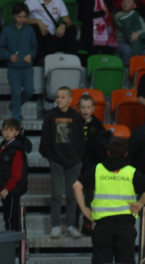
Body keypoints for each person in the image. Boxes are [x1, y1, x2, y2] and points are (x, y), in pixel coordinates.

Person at [72, 135, 145, 264]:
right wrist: (139, 204)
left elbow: (76, 186)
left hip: (103, 226)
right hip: (125, 226)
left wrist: (84, 209)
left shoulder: (97, 170)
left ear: (108, 152)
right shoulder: (131, 172)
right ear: (126, 153)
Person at [40, 86, 84, 239]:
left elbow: (81, 140)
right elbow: (44, 140)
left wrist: (78, 157)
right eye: (57, 97)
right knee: (57, 194)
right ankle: (56, 225)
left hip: (74, 162)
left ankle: (71, 225)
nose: (59, 99)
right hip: (57, 161)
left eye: (63, 97)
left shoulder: (76, 117)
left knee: (73, 195)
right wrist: (51, 157)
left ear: (71, 100)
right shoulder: (51, 116)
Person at [0, 2, 36, 125]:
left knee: (29, 90)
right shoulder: (7, 30)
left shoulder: (30, 30)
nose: (21, 19)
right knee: (15, 93)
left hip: (27, 67)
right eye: (19, 16)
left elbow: (34, 47)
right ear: (14, 16)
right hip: (13, 68)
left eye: (24, 17)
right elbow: (0, 48)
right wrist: (9, 56)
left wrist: (31, 55)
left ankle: (15, 105)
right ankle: (17, 120)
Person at [0, 118, 30, 232]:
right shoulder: (2, 147)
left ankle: (13, 243)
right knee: (7, 217)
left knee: (11, 218)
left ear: (16, 132)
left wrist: (7, 189)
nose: (7, 133)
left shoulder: (17, 150)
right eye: (5, 130)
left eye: (11, 130)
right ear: (1, 131)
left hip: (12, 190)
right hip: (5, 189)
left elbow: (16, 174)